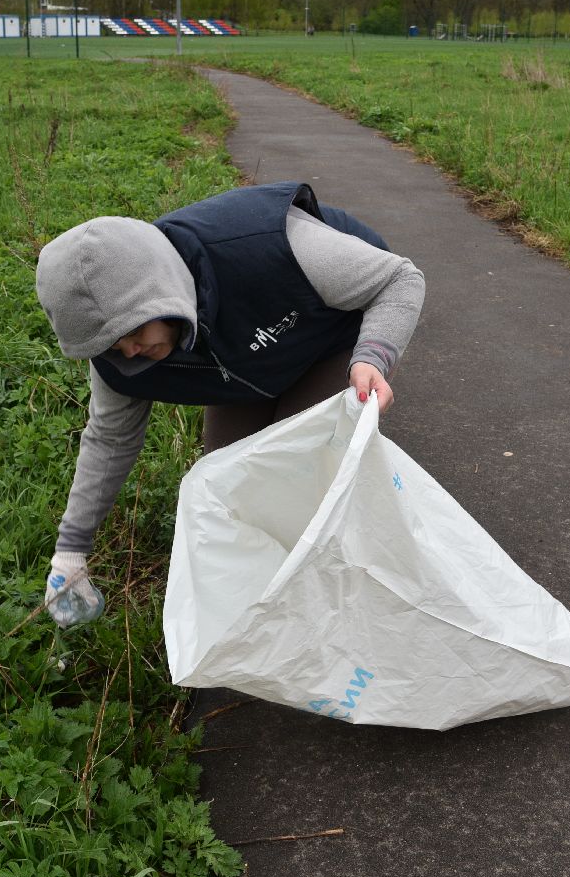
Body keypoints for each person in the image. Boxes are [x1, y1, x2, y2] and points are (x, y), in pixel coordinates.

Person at [33, 180, 425, 626]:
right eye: (110, 345)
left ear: (157, 290)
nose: (129, 353)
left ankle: (348, 605)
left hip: (332, 337)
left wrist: (374, 354)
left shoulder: (261, 245)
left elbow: (398, 279)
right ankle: (265, 611)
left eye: (134, 332)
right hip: (243, 368)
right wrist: (70, 551)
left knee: (306, 468)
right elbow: (109, 441)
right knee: (230, 485)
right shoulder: (119, 357)